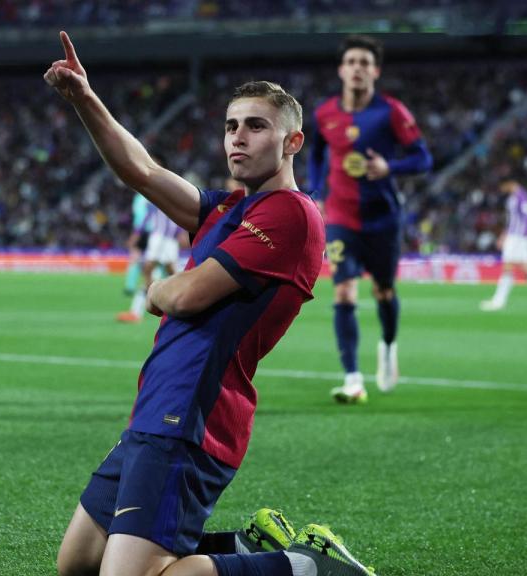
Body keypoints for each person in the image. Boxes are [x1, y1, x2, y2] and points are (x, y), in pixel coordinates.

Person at [45, 32, 373, 576]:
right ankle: (247, 550)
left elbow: (186, 295)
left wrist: (152, 290)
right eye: (231, 126)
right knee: (78, 563)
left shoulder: (289, 214)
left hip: (195, 416)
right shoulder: (229, 210)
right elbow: (142, 172)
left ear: (292, 143)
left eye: (256, 126)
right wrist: (84, 97)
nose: (237, 138)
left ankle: (305, 567)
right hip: (155, 409)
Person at [308, 34, 433, 404]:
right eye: (352, 62)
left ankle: (389, 346)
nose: (358, 68)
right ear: (341, 70)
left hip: (383, 219)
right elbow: (315, 154)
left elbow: (423, 158)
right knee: (344, 290)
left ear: (375, 71)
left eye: (365, 62)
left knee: (384, 291)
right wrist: (316, 194)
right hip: (342, 218)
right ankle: (352, 377)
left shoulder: (392, 111)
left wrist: (389, 166)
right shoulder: (325, 113)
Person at [480, 179, 527, 311]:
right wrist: (504, 235)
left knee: (513, 268)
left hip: (519, 238)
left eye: (502, 186)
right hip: (514, 237)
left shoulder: (521, 195)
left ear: (509, 183)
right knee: (525, 269)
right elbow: (512, 220)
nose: (501, 189)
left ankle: (499, 301)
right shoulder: (513, 196)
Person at [117, 201, 186, 323]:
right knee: (152, 271)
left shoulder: (169, 199)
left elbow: (179, 219)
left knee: (169, 273)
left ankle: (178, 304)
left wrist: (181, 233)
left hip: (168, 240)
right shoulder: (157, 201)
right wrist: (136, 235)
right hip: (159, 238)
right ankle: (136, 311)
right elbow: (146, 218)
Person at [122, 192, 152, 297]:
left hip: (141, 231)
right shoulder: (152, 195)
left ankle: (130, 287)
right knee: (153, 261)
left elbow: (140, 217)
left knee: (135, 257)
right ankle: (149, 285)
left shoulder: (139, 198)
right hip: (152, 231)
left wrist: (135, 234)